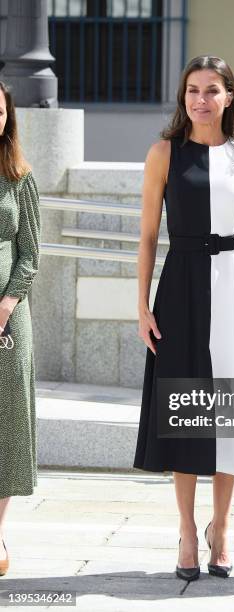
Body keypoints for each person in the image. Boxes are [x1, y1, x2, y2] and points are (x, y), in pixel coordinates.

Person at [134, 55, 234, 581]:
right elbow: (146, 235)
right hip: (181, 286)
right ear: (183, 97)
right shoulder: (164, 153)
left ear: (229, 97)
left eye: (212, 90)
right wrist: (141, 304)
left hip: (233, 288)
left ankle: (222, 529)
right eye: (192, 90)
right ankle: (188, 533)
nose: (200, 99)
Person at [0, 81, 41, 577]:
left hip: (8, 320)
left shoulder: (19, 177)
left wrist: (8, 302)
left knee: (6, 423)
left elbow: (30, 251)